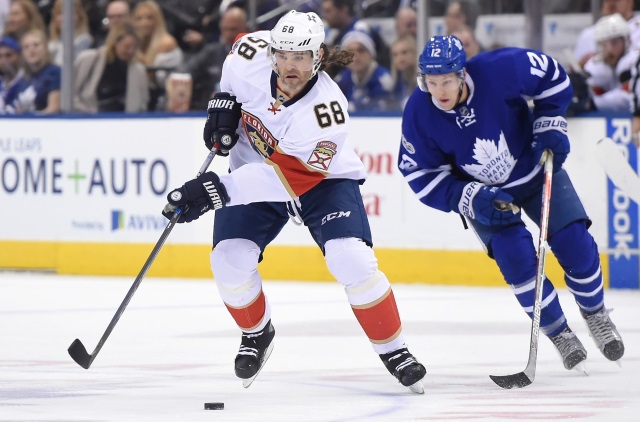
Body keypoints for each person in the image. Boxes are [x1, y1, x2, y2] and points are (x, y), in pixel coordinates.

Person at [161, 10, 427, 393]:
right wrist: (223, 111)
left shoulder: (327, 112)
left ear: (317, 56)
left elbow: (290, 179)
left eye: (300, 57)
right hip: (254, 167)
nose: (289, 66)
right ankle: (256, 334)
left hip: (321, 182)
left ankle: (395, 350)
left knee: (349, 257)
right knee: (228, 260)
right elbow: (231, 82)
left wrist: (215, 189)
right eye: (282, 54)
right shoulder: (247, 55)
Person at [397, 35, 625, 372]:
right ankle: (560, 334)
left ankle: (596, 314)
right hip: (486, 199)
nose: (439, 91)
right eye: (431, 82)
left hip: (535, 169)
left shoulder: (499, 68)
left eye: (446, 80)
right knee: (517, 261)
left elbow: (552, 75)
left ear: (462, 74)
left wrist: (550, 121)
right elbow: (420, 173)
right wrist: (467, 197)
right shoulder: (419, 113)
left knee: (574, 241)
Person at [73, 20, 148, 113]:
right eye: (127, 46)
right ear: (115, 42)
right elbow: (70, 94)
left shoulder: (139, 70)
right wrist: (89, 112)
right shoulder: (88, 59)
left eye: (135, 47)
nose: (131, 51)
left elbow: (142, 103)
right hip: (88, 118)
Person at [583, 13, 639, 113]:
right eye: (604, 44)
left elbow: (627, 98)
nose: (609, 50)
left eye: (614, 42)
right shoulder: (596, 66)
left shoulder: (633, 61)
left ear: (626, 41)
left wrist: (592, 103)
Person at [334, 30, 394, 111]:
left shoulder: (383, 80)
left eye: (361, 50)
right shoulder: (341, 79)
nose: (355, 56)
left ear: (371, 54)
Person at [18, 29, 60, 114]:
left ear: (45, 48)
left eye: (36, 45)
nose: (31, 50)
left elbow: (54, 108)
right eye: (26, 47)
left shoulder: (54, 72)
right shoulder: (23, 77)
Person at [47, 0, 93, 66]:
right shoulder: (52, 44)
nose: (66, 18)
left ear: (79, 16)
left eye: (71, 13)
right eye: (60, 13)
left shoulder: (84, 41)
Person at [0, 35, 27, 114]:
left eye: (8, 55)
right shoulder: (1, 83)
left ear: (19, 56)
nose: (3, 60)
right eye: (0, 56)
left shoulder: (28, 81)